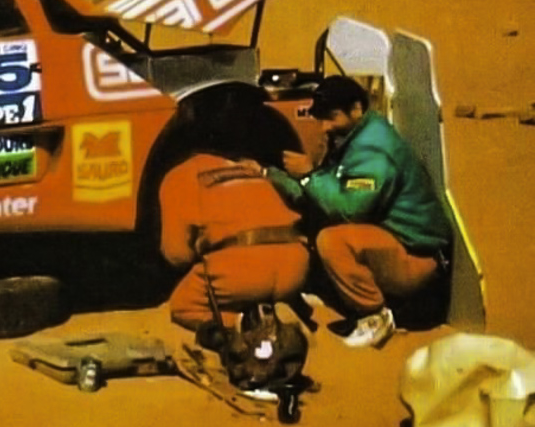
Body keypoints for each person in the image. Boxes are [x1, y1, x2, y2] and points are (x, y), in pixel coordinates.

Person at [252, 75, 453, 349]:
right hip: (395, 243)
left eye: (332, 117)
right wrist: (270, 175)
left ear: (356, 109)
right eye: (321, 119)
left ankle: (376, 316)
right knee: (317, 221)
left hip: (418, 258)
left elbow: (349, 209)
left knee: (333, 240)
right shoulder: (353, 138)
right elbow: (326, 192)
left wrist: (308, 175)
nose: (325, 126)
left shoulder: (374, 149)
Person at [161, 152, 311, 333]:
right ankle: (281, 308)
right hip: (296, 266)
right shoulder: (248, 170)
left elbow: (177, 254)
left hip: (242, 271)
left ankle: (246, 323)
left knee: (182, 306)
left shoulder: (177, 177)